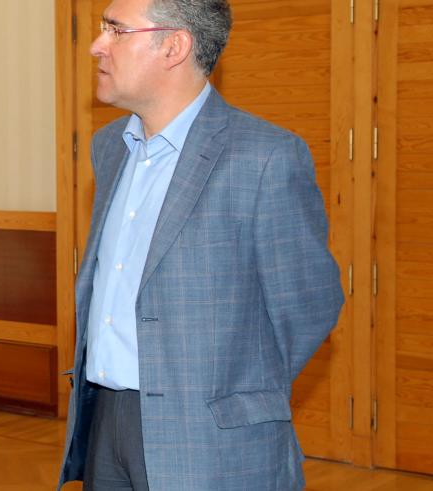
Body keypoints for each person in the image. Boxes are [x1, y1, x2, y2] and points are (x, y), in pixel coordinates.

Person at [58, 0, 344, 489]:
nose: (95, 46)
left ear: (174, 45)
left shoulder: (264, 156)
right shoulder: (110, 148)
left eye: (115, 30)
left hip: (208, 439)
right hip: (106, 419)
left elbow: (309, 306)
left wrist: (231, 396)